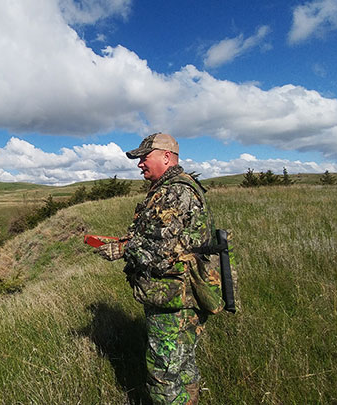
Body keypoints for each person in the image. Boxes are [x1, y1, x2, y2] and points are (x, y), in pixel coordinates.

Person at [96, 132, 223, 405]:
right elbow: (167, 239)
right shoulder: (177, 187)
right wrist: (130, 242)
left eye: (145, 157)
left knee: (163, 375)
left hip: (174, 299)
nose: (140, 163)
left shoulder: (174, 191)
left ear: (167, 157)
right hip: (184, 296)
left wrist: (121, 249)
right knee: (183, 363)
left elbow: (162, 253)